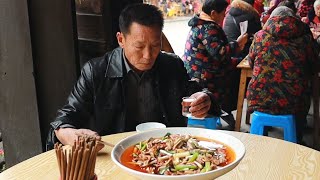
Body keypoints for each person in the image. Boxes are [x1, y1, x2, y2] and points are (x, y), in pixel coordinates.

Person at [46, 3, 220, 149]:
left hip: (167, 152)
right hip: (115, 153)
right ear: (121, 40)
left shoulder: (172, 65)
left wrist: (205, 100)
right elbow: (65, 118)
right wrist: (68, 134)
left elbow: (199, 95)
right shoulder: (96, 72)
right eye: (139, 46)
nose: (148, 55)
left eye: (155, 45)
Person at [246, 6, 319, 144]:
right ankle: (295, 140)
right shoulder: (305, 38)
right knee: (300, 104)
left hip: (259, 99)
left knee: (264, 95)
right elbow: (315, 65)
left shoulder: (260, 36)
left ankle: (262, 134)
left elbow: (251, 62)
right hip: (294, 102)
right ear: (294, 19)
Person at [182, 0, 248, 129]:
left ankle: (224, 115)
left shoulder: (199, 24)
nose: (224, 17)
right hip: (205, 77)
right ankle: (226, 115)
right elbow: (220, 53)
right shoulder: (208, 28)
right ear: (213, 13)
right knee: (235, 77)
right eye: (223, 13)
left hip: (197, 71)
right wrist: (238, 44)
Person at [222, 0, 261, 122]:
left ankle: (230, 113)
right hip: (242, 58)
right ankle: (256, 113)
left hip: (230, 58)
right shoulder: (252, 16)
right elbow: (257, 38)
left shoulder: (229, 14)